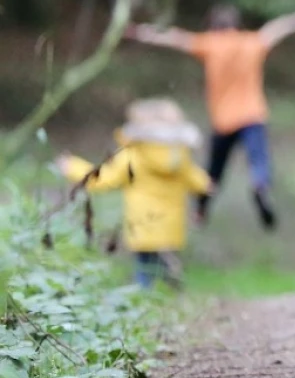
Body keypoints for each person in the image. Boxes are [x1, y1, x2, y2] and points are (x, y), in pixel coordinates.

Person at [124, 4, 295, 229]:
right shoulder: (251, 42)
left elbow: (175, 38)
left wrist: (141, 32)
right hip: (253, 115)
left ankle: (201, 210)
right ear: (235, 25)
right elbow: (273, 31)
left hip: (224, 121)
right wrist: (294, 20)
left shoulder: (211, 44)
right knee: (259, 160)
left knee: (214, 170)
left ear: (213, 27)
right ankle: (260, 187)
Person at [55, 98, 214, 289]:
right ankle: (168, 290)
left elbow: (102, 178)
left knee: (144, 269)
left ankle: (146, 297)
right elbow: (197, 180)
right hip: (171, 226)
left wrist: (72, 167)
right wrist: (207, 184)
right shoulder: (179, 156)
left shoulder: (133, 155)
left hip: (143, 224)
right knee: (162, 265)